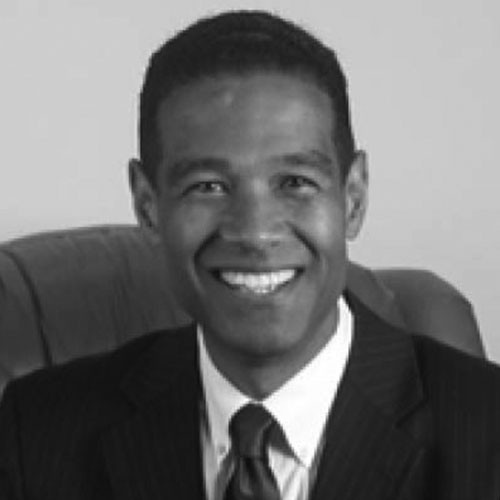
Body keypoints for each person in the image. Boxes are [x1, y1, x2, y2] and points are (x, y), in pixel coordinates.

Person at [0, 10, 499, 500]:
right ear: (148, 205)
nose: (255, 233)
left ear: (353, 198)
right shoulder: (39, 433)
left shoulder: (487, 433)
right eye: (208, 186)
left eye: (295, 182)